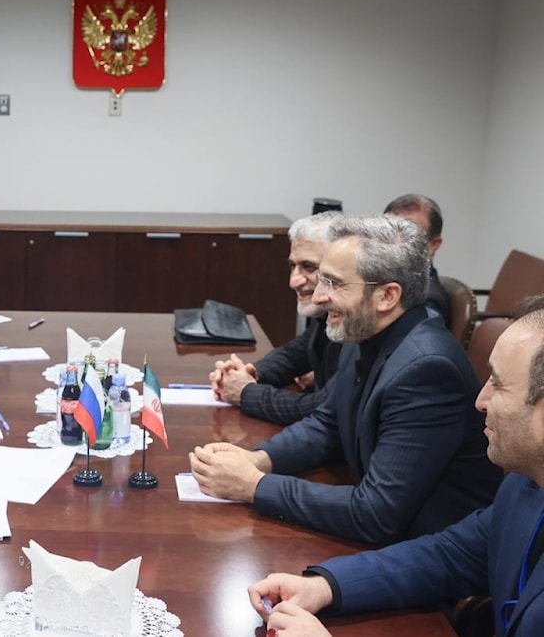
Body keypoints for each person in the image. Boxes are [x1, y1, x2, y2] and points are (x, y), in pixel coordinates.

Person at [189, 215, 501, 544]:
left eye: (334, 283)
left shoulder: (428, 371)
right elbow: (328, 424)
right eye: (321, 280)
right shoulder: (364, 333)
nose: (320, 297)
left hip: (428, 556)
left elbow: (376, 514)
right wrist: (258, 459)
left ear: (387, 296)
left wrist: (253, 485)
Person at [247, 299, 544, 637]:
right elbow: (451, 556)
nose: (480, 400)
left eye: (499, 384)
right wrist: (326, 586)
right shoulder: (525, 484)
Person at [210, 211, 343, 425]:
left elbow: (322, 409)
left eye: (308, 267)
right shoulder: (327, 314)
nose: (294, 281)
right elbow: (295, 354)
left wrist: (245, 392)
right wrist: (251, 372)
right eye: (293, 266)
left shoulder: (358, 323)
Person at [384, 193, 450, 327]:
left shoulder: (428, 302)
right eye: (388, 232)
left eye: (408, 236)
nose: (394, 243)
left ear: (433, 245)